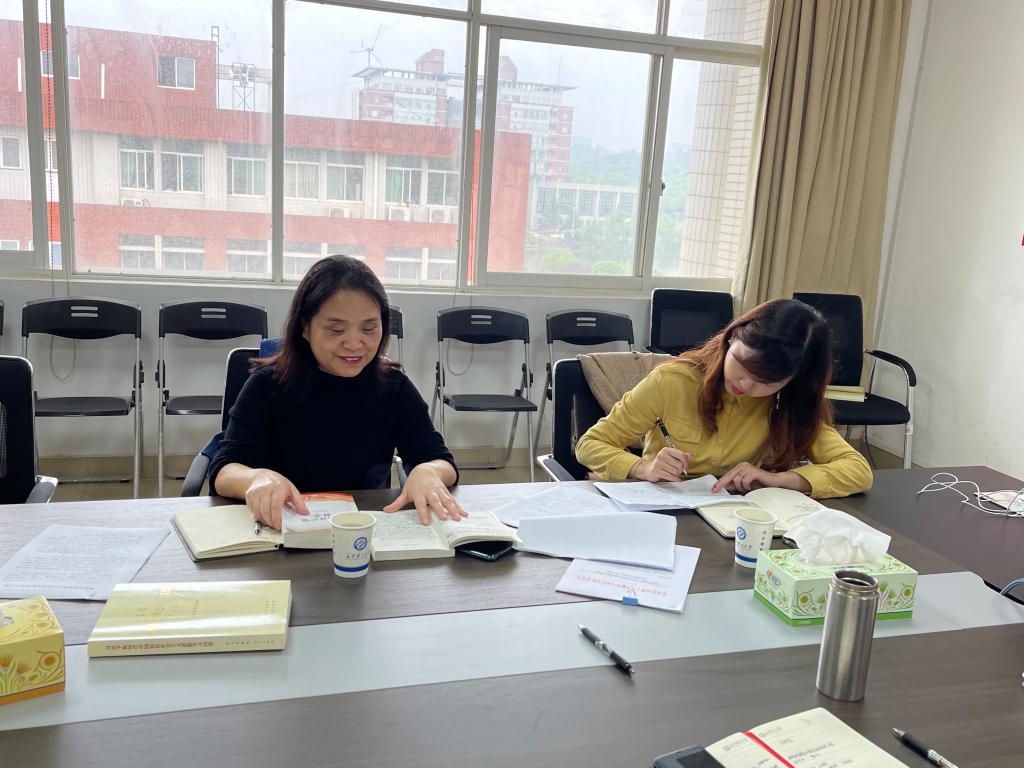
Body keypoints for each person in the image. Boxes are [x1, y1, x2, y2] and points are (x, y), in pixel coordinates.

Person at [210, 255, 466, 529]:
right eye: (336, 329)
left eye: (369, 328)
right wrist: (255, 478)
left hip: (363, 531)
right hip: (282, 529)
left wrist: (428, 471)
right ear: (305, 327)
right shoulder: (267, 386)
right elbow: (225, 470)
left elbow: (440, 460)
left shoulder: (393, 387)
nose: (354, 343)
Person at [575, 298, 872, 499]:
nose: (745, 383)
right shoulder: (673, 382)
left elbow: (858, 470)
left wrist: (782, 480)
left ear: (791, 381)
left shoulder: (788, 404)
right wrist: (643, 468)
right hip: (662, 508)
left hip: (733, 521)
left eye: (766, 381)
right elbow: (590, 444)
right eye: (743, 363)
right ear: (732, 338)